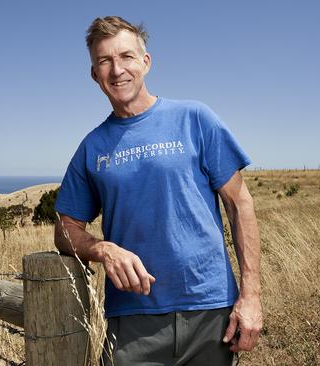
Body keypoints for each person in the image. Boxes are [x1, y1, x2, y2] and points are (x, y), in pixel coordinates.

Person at [54, 16, 262, 365]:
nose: (117, 69)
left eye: (126, 56)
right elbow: (64, 230)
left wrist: (251, 295)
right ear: (94, 75)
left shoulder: (195, 119)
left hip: (210, 312)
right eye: (104, 61)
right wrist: (103, 249)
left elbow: (239, 203)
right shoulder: (92, 147)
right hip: (132, 321)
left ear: (145, 62)